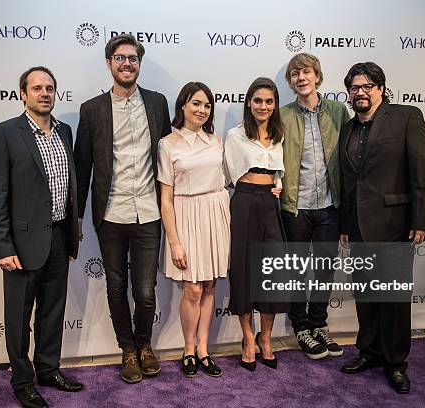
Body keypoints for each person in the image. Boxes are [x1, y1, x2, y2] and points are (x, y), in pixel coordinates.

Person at [74, 34, 171, 384]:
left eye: (132, 58)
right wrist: (79, 217)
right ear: (109, 63)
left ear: (139, 64)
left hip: (149, 212)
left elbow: (167, 158)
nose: (126, 63)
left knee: (145, 291)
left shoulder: (158, 103)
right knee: (116, 288)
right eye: (119, 57)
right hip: (110, 215)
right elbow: (82, 166)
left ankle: (145, 344)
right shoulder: (92, 109)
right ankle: (127, 349)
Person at [0, 66, 83, 408]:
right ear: (23, 94)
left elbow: (70, 189)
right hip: (21, 245)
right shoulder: (5, 133)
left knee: (52, 312)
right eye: (37, 88)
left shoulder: (65, 132)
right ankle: (22, 380)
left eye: (50, 88)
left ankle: (48, 369)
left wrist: (72, 235)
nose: (45, 93)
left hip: (58, 237)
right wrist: (2, 247)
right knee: (18, 317)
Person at [338, 62, 425, 394]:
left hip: (396, 226)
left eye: (367, 86)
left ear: (380, 87)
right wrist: (347, 226)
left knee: (393, 299)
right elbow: (349, 182)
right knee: (366, 296)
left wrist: (422, 220)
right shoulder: (348, 128)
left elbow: (422, 169)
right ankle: (369, 353)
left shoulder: (407, 116)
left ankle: (395, 363)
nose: (360, 92)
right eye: (354, 87)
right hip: (360, 228)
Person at [279, 53, 350, 359]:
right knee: (296, 270)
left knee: (323, 269)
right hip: (296, 207)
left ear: (317, 76)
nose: (301, 78)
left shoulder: (337, 110)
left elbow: (350, 154)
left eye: (306, 72)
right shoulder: (281, 115)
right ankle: (301, 328)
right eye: (295, 74)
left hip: (330, 206)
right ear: (291, 82)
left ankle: (319, 324)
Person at [157, 82, 229, 378]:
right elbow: (165, 198)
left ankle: (203, 349)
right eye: (196, 103)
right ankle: (188, 349)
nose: (202, 110)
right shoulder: (168, 143)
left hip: (215, 213)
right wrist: (174, 241)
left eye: (207, 105)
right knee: (193, 288)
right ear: (183, 106)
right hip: (185, 216)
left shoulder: (216, 140)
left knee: (210, 285)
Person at [224, 77, 288, 371]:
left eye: (269, 101)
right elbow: (229, 176)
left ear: (275, 106)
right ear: (249, 103)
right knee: (244, 269)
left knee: (272, 271)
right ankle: (248, 338)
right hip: (245, 201)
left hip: (270, 204)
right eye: (258, 100)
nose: (263, 106)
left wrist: (277, 184)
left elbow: (282, 171)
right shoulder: (236, 135)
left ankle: (267, 339)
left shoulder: (279, 134)